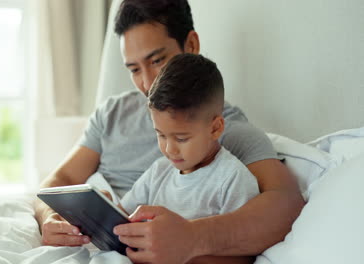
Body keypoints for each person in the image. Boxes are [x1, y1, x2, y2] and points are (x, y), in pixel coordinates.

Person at [34, 0, 304, 263]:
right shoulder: (111, 113)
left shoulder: (230, 131)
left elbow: (285, 203)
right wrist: (50, 216)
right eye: (134, 69)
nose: (148, 83)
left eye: (157, 60)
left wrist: (192, 238)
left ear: (191, 45)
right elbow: (61, 179)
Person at [116, 53, 258, 263]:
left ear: (215, 128)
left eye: (181, 138)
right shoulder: (159, 171)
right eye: (161, 135)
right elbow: (124, 214)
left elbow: (242, 256)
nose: (169, 149)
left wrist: (183, 256)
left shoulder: (232, 179)